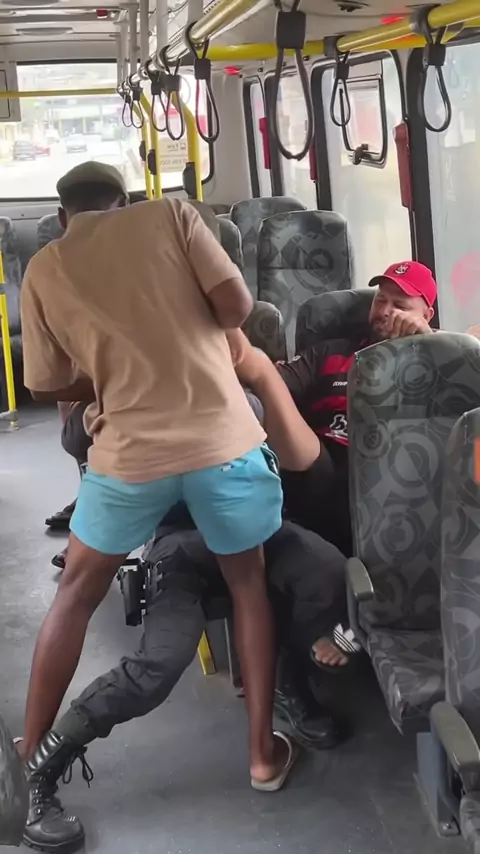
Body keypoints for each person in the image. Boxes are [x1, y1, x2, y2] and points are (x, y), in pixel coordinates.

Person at [19, 161, 292, 797]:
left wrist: (109, 372)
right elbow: (237, 307)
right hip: (221, 442)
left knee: (76, 594)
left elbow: (44, 384)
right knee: (247, 586)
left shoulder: (46, 265)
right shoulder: (171, 215)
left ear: (62, 216)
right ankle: (261, 756)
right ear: (123, 201)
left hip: (130, 458)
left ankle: (29, 755)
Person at [21, 516, 347, 851]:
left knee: (328, 574)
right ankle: (43, 763)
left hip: (255, 527)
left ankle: (286, 681)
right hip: (181, 540)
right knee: (160, 662)